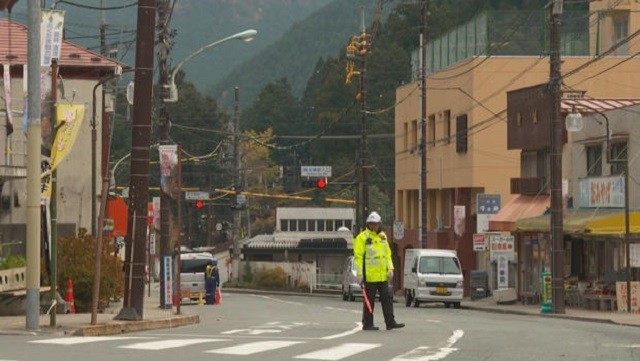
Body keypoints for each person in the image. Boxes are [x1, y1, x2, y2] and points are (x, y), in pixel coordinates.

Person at [354, 211, 405, 331]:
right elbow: (358, 257)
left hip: (382, 276)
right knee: (369, 301)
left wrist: (391, 269)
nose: (374, 226)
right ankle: (367, 323)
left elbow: (387, 255)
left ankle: (390, 322)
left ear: (379, 224)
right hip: (370, 276)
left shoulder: (383, 237)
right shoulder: (362, 237)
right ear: (368, 224)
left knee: (387, 299)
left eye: (376, 224)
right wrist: (360, 274)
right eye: (372, 224)